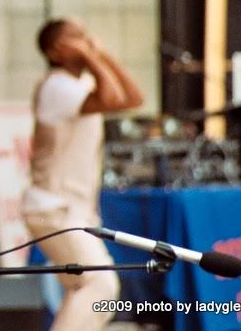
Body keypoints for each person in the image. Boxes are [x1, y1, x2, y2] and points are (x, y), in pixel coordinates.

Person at [23, 18, 143, 331]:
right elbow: (113, 99)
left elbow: (133, 99)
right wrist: (93, 56)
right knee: (100, 287)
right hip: (54, 207)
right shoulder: (56, 86)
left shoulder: (78, 86)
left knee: (84, 290)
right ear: (55, 51)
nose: (86, 39)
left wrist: (102, 55)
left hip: (70, 209)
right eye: (75, 37)